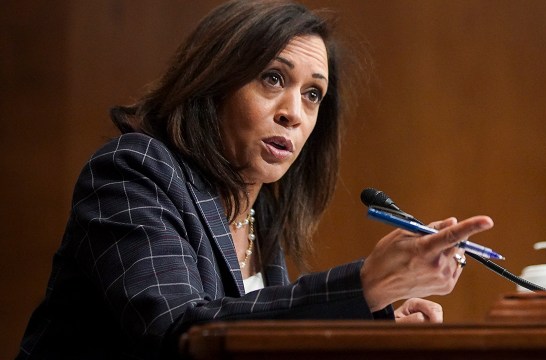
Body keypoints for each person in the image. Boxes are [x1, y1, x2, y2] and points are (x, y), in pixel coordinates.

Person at [16, 0, 494, 359]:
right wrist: (364, 286)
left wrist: (372, 323)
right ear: (214, 83)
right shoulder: (132, 171)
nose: (293, 113)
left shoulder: (257, 210)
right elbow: (180, 333)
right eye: (271, 79)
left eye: (312, 94)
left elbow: (259, 335)